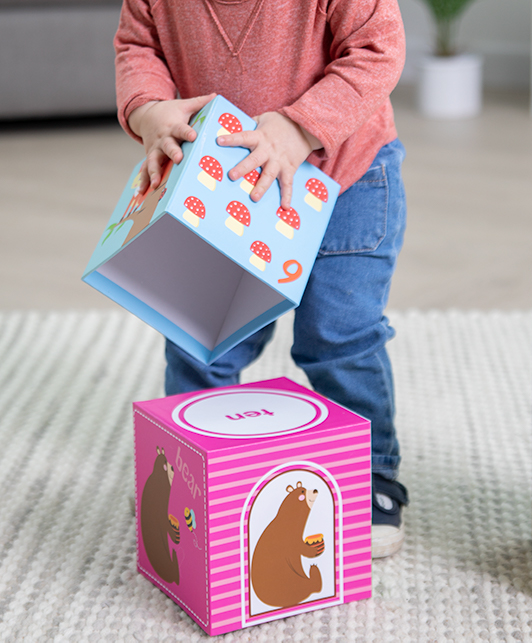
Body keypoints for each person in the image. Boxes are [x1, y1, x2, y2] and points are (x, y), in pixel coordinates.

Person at [114, 0, 409, 558]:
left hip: (344, 177)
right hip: (226, 189)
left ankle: (373, 475)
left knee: (339, 336)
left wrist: (300, 126)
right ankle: (190, 460)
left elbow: (377, 48)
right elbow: (139, 45)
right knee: (200, 336)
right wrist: (148, 108)